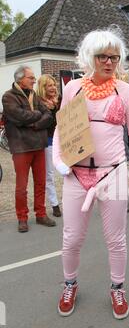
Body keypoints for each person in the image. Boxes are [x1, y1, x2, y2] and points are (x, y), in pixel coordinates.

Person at [52, 28, 129, 319]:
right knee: (71, 237)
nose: (109, 62)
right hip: (76, 174)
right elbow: (61, 128)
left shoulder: (126, 91)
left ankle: (117, 287)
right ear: (89, 57)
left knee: (116, 238)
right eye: (102, 56)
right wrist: (58, 159)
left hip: (113, 174)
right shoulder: (72, 89)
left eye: (114, 57)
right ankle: (70, 283)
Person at [2, 66, 56, 232]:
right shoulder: (8, 97)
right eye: (31, 77)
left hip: (39, 145)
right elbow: (18, 117)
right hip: (21, 147)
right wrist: (37, 117)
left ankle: (40, 214)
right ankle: (22, 218)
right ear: (20, 80)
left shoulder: (35, 96)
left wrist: (34, 123)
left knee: (40, 183)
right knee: (21, 186)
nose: (34, 80)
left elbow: (48, 115)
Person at [36, 75, 61, 217]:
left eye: (54, 85)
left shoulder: (59, 101)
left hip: (62, 141)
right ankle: (54, 204)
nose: (53, 88)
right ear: (43, 88)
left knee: (67, 172)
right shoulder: (39, 104)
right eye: (49, 85)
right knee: (50, 175)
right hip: (48, 142)